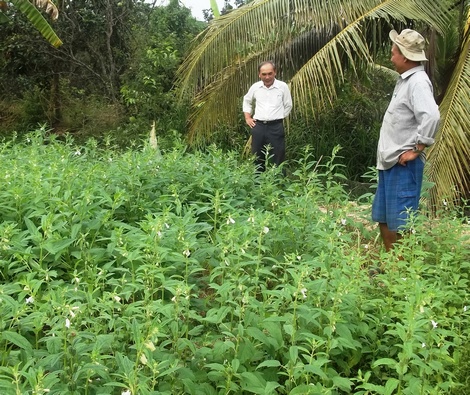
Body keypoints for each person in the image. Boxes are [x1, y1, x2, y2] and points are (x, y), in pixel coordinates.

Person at [372, 29, 440, 252]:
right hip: (390, 161)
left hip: (403, 164)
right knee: (384, 218)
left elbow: (430, 115)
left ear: (406, 57)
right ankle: (391, 266)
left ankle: (401, 275)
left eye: (394, 53)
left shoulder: (418, 82)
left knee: (401, 223)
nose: (391, 57)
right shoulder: (405, 81)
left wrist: (417, 148)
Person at [243, 61, 293, 171]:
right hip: (258, 126)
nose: (267, 77)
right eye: (264, 74)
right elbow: (247, 100)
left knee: (278, 156)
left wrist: (279, 116)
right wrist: (247, 117)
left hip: (276, 127)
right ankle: (258, 184)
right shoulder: (255, 87)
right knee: (257, 157)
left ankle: (279, 183)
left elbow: (288, 105)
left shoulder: (282, 86)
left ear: (275, 72)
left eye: (270, 73)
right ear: (259, 74)